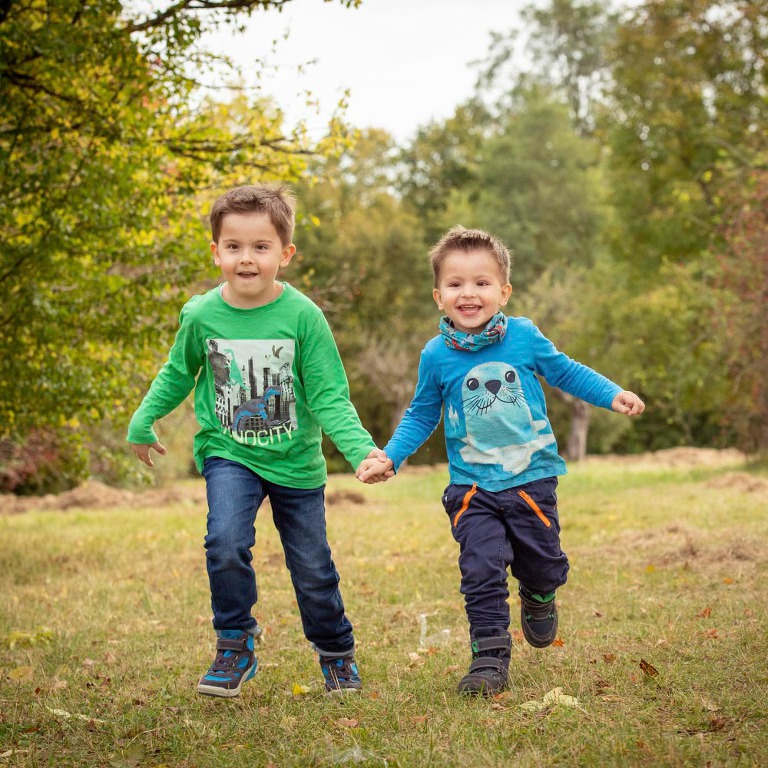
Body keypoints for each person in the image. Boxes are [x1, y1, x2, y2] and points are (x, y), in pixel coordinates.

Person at [357, 226, 645, 696]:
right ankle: (489, 659)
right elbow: (421, 413)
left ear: (503, 291)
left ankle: (539, 593)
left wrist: (612, 394)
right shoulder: (436, 355)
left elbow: (566, 371)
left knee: (544, 563)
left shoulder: (524, 336)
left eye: (481, 283)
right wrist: (391, 456)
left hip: (531, 480)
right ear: (438, 296)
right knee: (480, 569)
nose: (468, 293)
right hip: (472, 487)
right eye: (455, 284)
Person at [128, 183, 388, 698]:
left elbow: (330, 396)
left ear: (285, 254)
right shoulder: (201, 315)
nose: (247, 259)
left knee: (312, 567)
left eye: (261, 247)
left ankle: (336, 652)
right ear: (216, 251)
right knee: (225, 542)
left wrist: (361, 449)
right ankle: (234, 644)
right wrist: (144, 417)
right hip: (229, 453)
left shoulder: (303, 317)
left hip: (295, 462)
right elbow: (178, 373)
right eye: (234, 246)